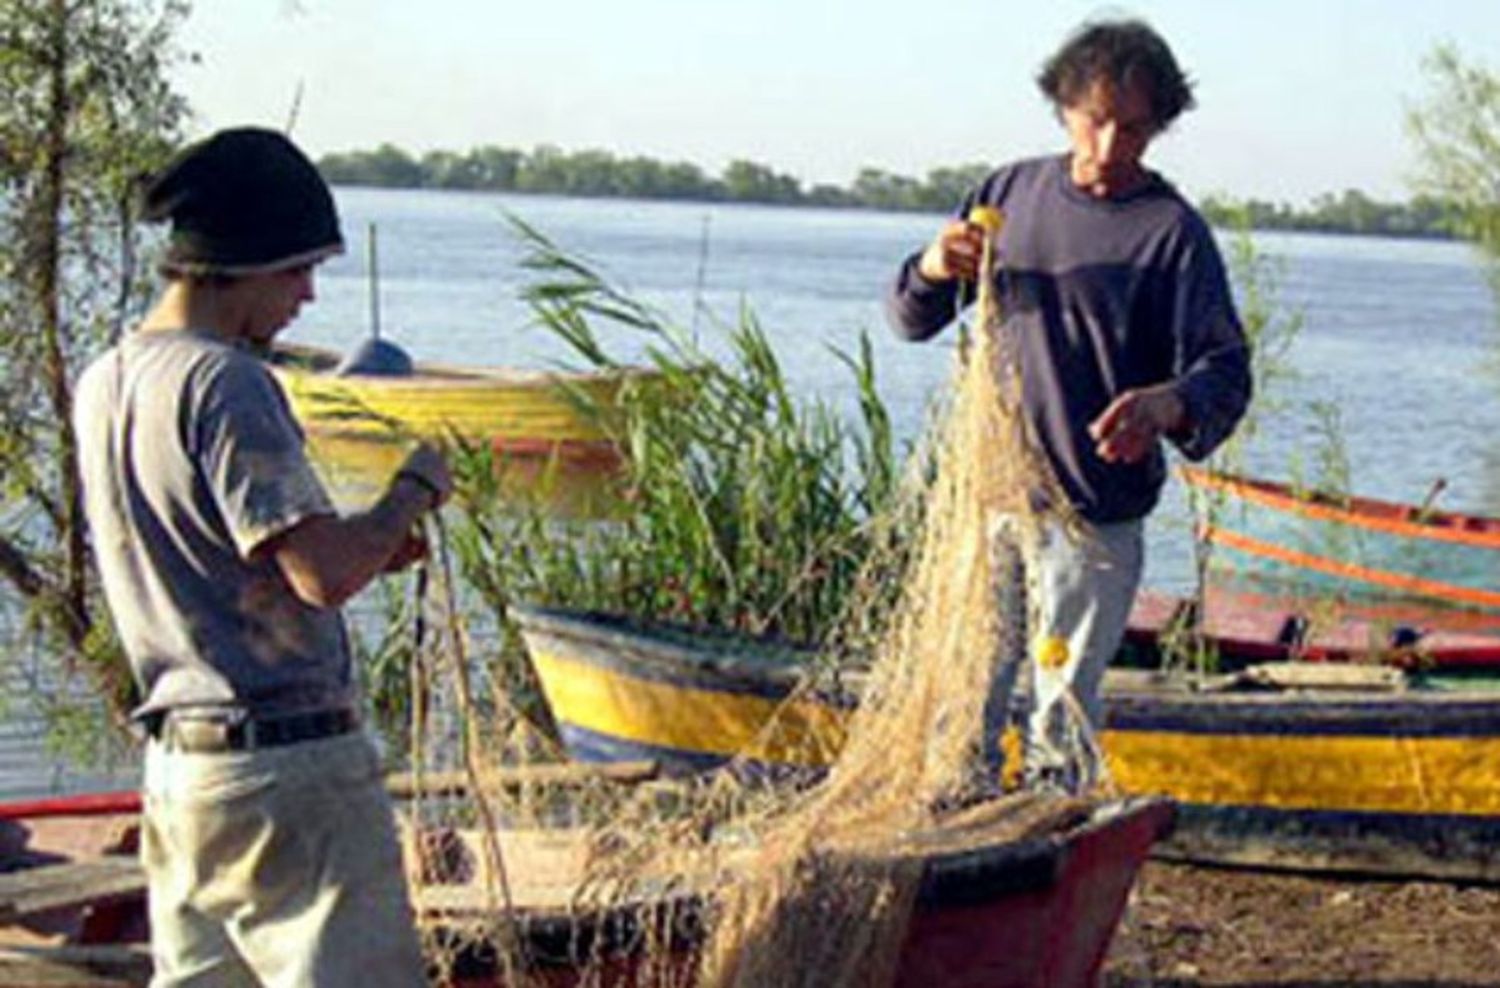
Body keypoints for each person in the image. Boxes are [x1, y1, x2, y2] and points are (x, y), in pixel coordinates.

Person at [74, 127, 448, 986]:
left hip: (181, 775)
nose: (309, 295)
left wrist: (372, 545)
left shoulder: (107, 380)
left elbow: (210, 552)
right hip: (287, 773)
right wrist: (410, 493)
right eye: (297, 269)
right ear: (241, 263)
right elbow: (323, 576)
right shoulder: (227, 382)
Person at [886, 19, 1252, 790]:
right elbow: (912, 319)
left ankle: (1050, 845)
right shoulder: (1008, 194)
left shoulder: (1172, 234)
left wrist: (1167, 405)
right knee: (964, 701)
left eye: (1135, 127)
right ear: (1063, 108)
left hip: (1093, 517)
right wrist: (929, 264)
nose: (1112, 145)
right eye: (1097, 120)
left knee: (1062, 717)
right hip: (988, 504)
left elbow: (1226, 371)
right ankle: (957, 845)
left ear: (1159, 129)